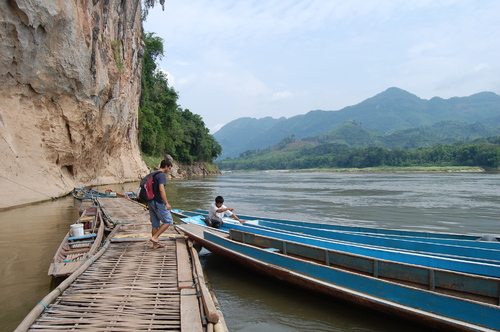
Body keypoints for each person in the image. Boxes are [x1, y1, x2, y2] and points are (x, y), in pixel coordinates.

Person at [149, 159, 173, 249]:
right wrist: (166, 203)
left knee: (155, 224)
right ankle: (155, 238)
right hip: (158, 202)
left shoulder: (153, 173)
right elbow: (161, 189)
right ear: (166, 166)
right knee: (168, 221)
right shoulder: (161, 175)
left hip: (150, 201)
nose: (169, 170)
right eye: (169, 168)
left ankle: (155, 245)